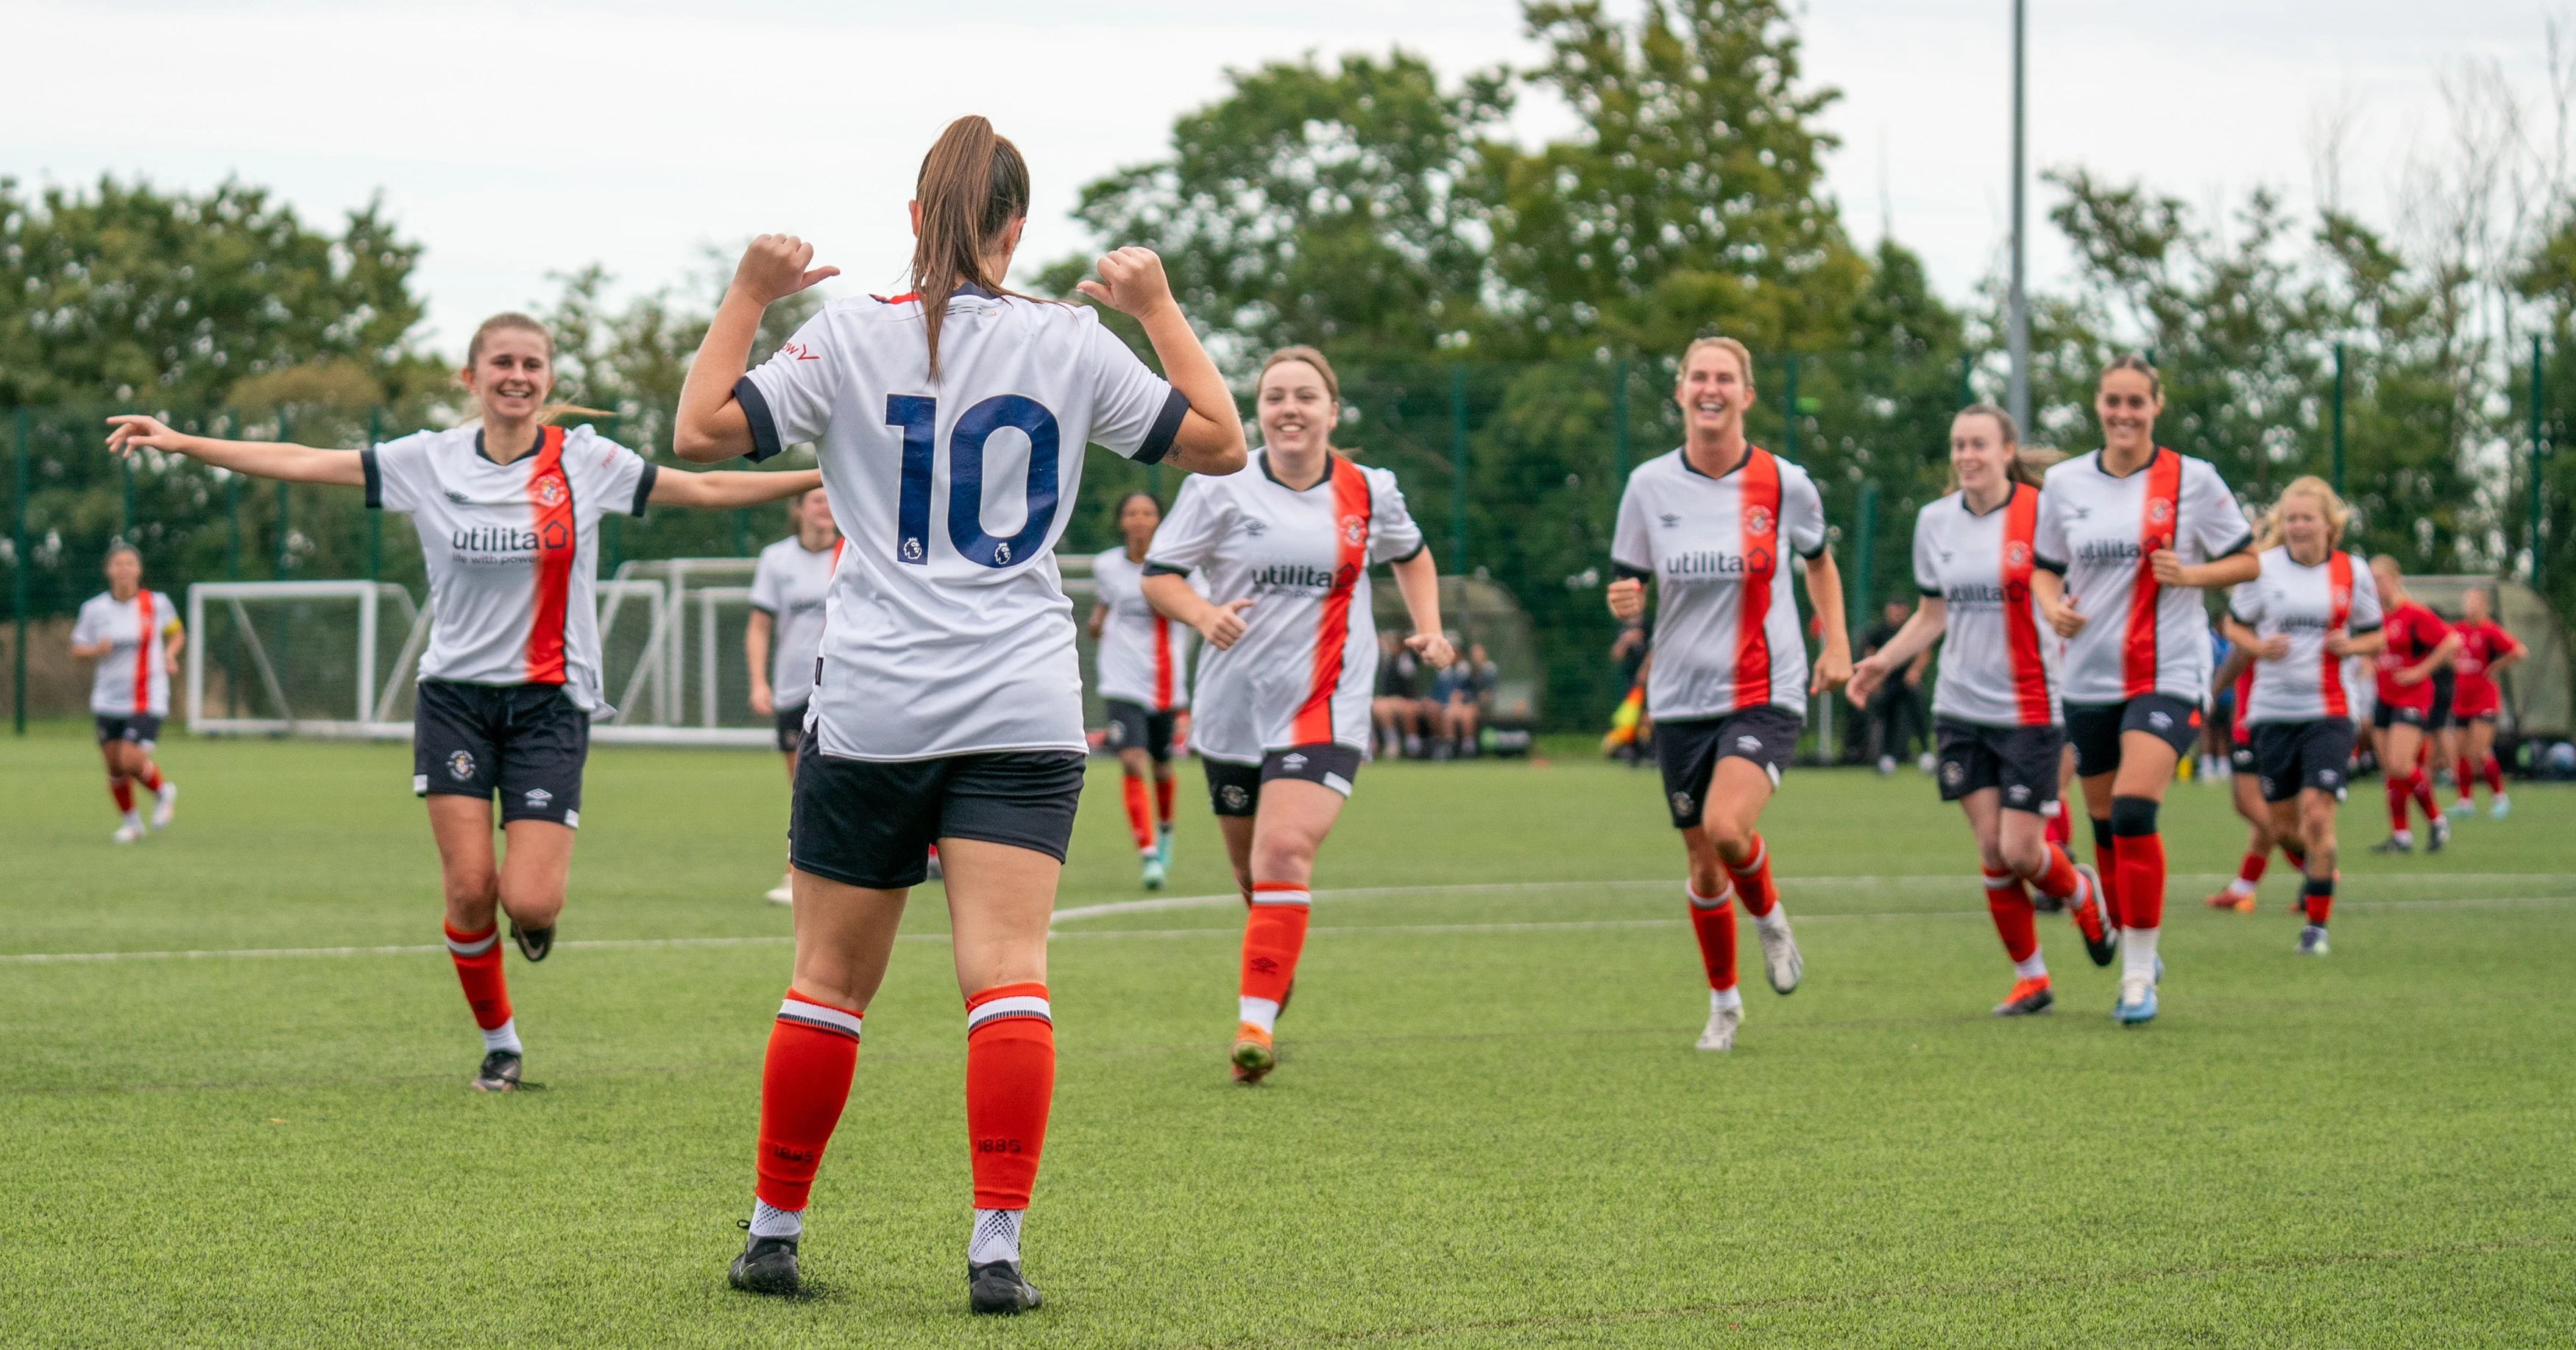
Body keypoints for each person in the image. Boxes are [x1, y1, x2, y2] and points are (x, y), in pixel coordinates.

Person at [669, 117, 1245, 1312]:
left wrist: (750, 291)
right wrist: (1157, 306)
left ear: (915, 219)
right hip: (1021, 702)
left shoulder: (850, 333)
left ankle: (774, 1230)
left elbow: (702, 430)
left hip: (875, 701)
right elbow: (1219, 442)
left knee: (828, 979)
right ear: (1016, 226)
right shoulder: (1071, 340)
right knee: (1008, 975)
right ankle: (995, 1249)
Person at [106, 314, 821, 1093]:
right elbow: (302, 460)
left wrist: (819, 476)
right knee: (470, 889)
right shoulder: (428, 460)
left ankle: (534, 925)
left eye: (532, 364)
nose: (517, 375)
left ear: (548, 378)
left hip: (549, 704)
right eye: (502, 362)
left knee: (531, 901)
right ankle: (500, 1045)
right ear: (471, 377)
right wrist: (183, 442)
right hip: (454, 701)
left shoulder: (584, 461)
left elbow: (706, 485)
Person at [1140, 344, 1446, 1084]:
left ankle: (1254, 1026)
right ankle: (1273, 968)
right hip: (1233, 708)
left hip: (1325, 702)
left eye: (1305, 396)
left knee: (1281, 853)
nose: (1289, 409)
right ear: (1259, 412)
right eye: (1275, 396)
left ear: (1332, 412)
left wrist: (1429, 627)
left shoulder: (1369, 490)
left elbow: (1411, 554)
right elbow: (1160, 575)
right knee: (1253, 877)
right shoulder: (1220, 485)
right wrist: (1204, 614)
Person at [1607, 335, 1850, 1053]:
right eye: (1698, 377)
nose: (1710, 389)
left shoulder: (1784, 483)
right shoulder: (1647, 485)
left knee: (1725, 827)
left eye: (1724, 378)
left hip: (1764, 687)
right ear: (1680, 391)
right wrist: (1624, 600)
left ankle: (1769, 919)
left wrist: (1836, 643)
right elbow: (1628, 581)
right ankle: (1724, 1003)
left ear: (1746, 395)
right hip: (1679, 696)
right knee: (1703, 865)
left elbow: (1819, 562)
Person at [1846, 405, 2114, 1016]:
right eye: (1959, 445)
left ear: (2007, 450)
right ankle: (2031, 979)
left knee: (2022, 851)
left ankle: (2081, 893)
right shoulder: (1934, 521)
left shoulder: (2042, 514)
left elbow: (2078, 592)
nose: (1966, 456)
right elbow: (1931, 616)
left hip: (2031, 705)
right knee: (1992, 851)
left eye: (1979, 445)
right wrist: (1882, 662)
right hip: (1959, 708)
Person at [2030, 355, 2259, 1025]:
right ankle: (2135, 942)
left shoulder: (2194, 479)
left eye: (2136, 402)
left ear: (2157, 406)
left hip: (2170, 671)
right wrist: (2051, 607)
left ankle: (2136, 975)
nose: (2123, 413)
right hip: (2089, 675)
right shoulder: (2065, 483)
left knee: (2133, 812)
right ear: (2097, 405)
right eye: (2113, 401)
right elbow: (2043, 569)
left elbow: (2249, 560)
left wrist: (2191, 575)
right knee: (2105, 826)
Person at [2221, 477, 2383, 955]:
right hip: (2271, 713)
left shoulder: (2352, 571)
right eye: (2291, 518)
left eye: (2307, 517)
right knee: (2283, 827)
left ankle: (2316, 929)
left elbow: (2376, 635)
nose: (2298, 526)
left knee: (2317, 816)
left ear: (2329, 524)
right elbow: (2234, 625)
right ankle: (2319, 868)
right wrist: (2257, 647)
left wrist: (2351, 645)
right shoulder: (2263, 567)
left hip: (2330, 712)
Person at [1088, 490, 1194, 890]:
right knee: (1133, 761)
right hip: (1122, 680)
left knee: (1162, 766)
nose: (1139, 519)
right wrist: (1097, 624)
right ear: (1121, 522)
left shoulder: (1179, 566)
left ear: (1159, 521)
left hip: (1166, 682)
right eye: (1132, 513)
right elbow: (1102, 609)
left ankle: (1165, 832)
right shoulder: (1106, 566)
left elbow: (1197, 608)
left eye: (1148, 513)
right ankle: (1147, 853)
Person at [747, 486, 843, 902]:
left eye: (829, 499)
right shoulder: (777, 559)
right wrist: (759, 682)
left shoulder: (852, 551)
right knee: (803, 785)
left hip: (843, 688)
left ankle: (819, 873)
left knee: (842, 782)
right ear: (798, 508)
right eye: (816, 500)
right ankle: (801, 873)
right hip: (793, 690)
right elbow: (759, 626)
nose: (825, 507)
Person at [69, 543, 183, 843]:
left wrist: (169, 654)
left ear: (139, 570)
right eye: (118, 564)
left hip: (147, 695)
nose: (124, 569)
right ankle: (132, 824)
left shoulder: (156, 604)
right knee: (114, 765)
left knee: (130, 760)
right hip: (107, 698)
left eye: (129, 564)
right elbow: (77, 649)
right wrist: (96, 649)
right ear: (108, 570)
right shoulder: (94, 609)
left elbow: (176, 633)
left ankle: (163, 792)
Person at [2366, 557, 2460, 853]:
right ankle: (2401, 836)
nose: (2375, 586)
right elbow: (2372, 649)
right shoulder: (2374, 616)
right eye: (2371, 580)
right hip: (2384, 696)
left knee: (2401, 764)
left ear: (2395, 579)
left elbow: (2452, 641)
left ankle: (2437, 820)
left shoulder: (2413, 613)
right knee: (2390, 771)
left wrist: (2421, 671)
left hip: (2412, 698)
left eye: (2380, 579)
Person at [2202, 650, 2307, 914]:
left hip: (2258, 720)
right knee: (2265, 813)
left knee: (2248, 804)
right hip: (2260, 718)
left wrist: (2213, 689)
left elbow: (2241, 656)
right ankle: (2243, 887)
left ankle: (2315, 867)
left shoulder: (2256, 630)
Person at [2448, 586, 2526, 819]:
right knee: (2461, 752)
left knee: (2479, 751)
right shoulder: (2458, 630)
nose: (2469, 607)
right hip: (2462, 700)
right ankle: (2465, 802)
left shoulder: (2489, 631)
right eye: (2466, 602)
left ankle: (2500, 798)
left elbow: (2520, 652)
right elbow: (2444, 649)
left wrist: (2496, 666)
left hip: (2484, 700)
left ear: (2483, 606)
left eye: (2473, 602)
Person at [1856, 598, 1931, 773]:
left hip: (1908, 681)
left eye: (1900, 610)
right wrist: (1874, 680)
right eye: (1894, 610)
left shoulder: (1912, 629)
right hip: (1888, 682)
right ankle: (1886, 756)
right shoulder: (1878, 631)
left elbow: (1924, 652)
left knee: (1918, 712)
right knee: (1885, 715)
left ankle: (1926, 753)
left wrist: (1915, 671)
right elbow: (1870, 654)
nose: (1897, 614)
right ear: (1888, 610)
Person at [1371, 629, 1429, 758]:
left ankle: (1408, 743)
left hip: (1406, 699)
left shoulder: (1406, 660)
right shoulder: (1387, 661)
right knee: (1377, 705)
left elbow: (1409, 682)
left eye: (1393, 644)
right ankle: (1377, 741)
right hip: (1389, 700)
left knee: (1389, 707)